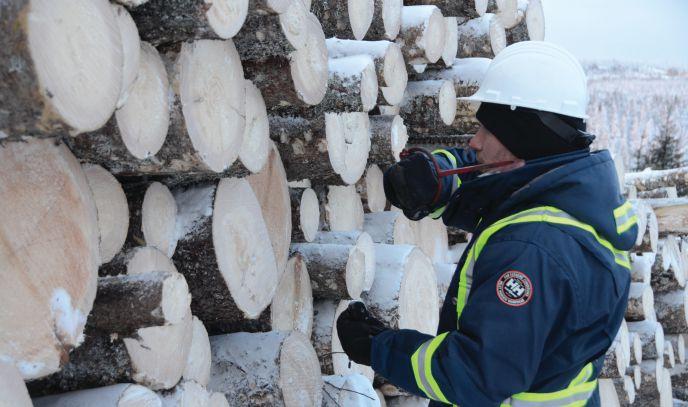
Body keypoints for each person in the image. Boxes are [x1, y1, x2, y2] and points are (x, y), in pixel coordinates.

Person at [336, 41, 637, 406]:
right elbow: (496, 185)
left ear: (521, 138)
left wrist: (380, 348)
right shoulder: (577, 199)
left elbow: (475, 375)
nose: (474, 141)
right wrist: (437, 179)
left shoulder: (531, 249)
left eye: (487, 130)